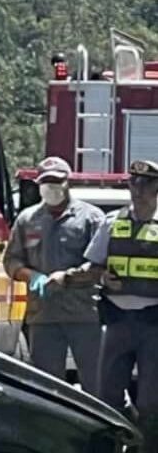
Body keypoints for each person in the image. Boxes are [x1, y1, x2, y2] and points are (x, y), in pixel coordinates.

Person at [2, 156, 104, 394]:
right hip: (43, 317)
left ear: (67, 182)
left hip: (84, 315)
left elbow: (100, 263)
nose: (51, 188)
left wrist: (68, 276)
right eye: (46, 182)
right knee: (46, 388)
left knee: (96, 383)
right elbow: (11, 260)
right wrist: (30, 276)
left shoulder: (91, 218)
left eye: (56, 182)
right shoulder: (27, 219)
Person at [75, 158, 158, 450]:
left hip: (153, 325)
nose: (138, 188)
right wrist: (100, 277)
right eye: (133, 182)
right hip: (118, 321)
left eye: (146, 183)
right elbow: (92, 266)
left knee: (151, 401)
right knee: (107, 398)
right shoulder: (113, 222)